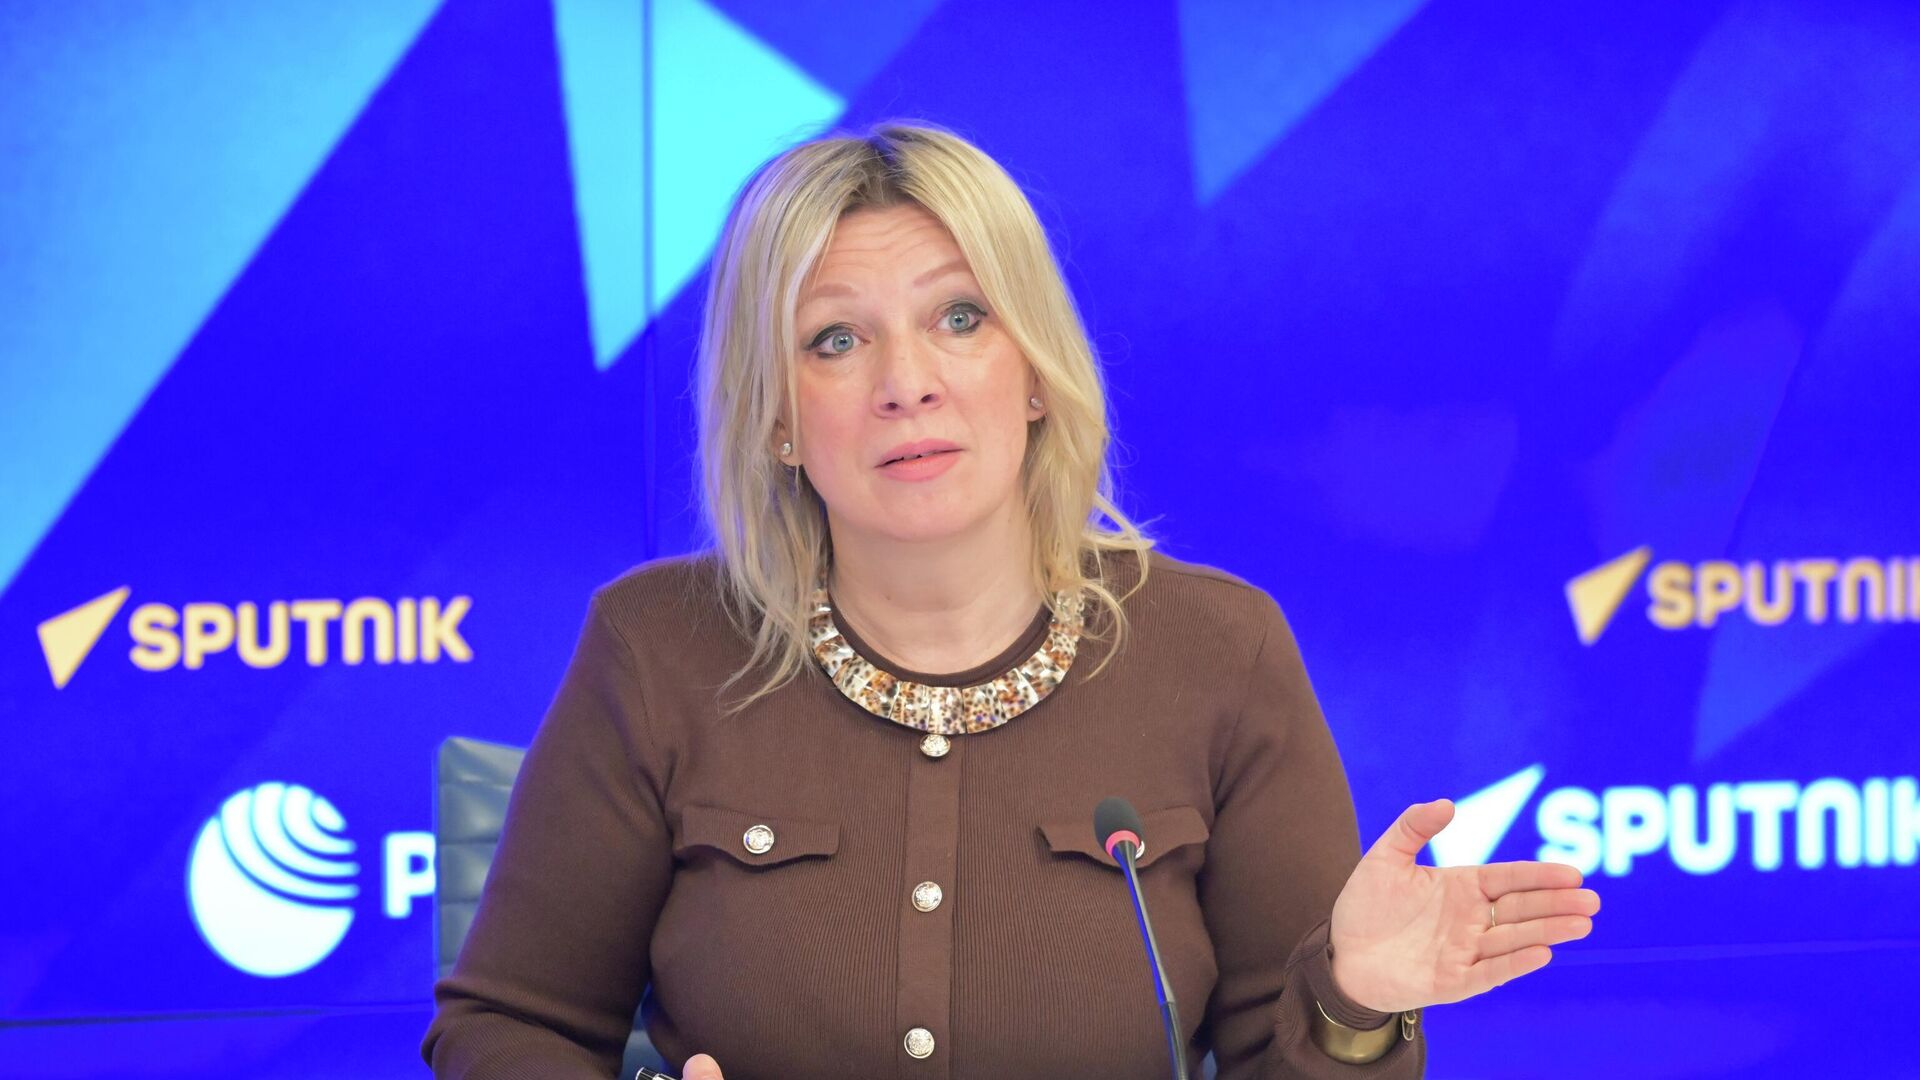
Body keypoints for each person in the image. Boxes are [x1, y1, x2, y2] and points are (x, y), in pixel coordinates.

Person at [421, 121, 1600, 1079]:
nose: (908, 384)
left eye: (959, 317)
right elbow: (506, 1028)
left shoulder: (1218, 653)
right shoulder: (658, 649)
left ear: (1032, 370)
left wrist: (1351, 1000)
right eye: (835, 339)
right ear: (777, 418)